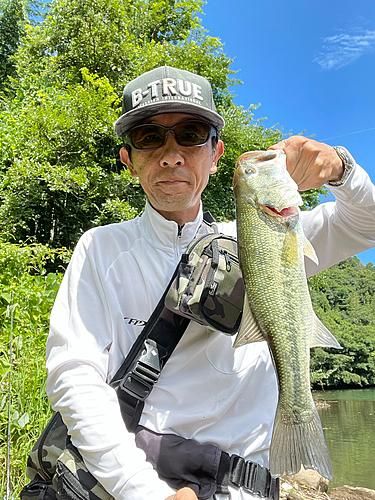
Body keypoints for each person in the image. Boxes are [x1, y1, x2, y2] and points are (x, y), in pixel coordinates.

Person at [45, 65, 375, 500]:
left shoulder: (260, 235)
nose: (171, 154)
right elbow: (74, 377)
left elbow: (366, 225)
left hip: (247, 487)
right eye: (148, 137)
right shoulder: (101, 248)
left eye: (191, 133)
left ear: (216, 155)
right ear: (128, 159)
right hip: (139, 481)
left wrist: (342, 168)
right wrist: (143, 491)